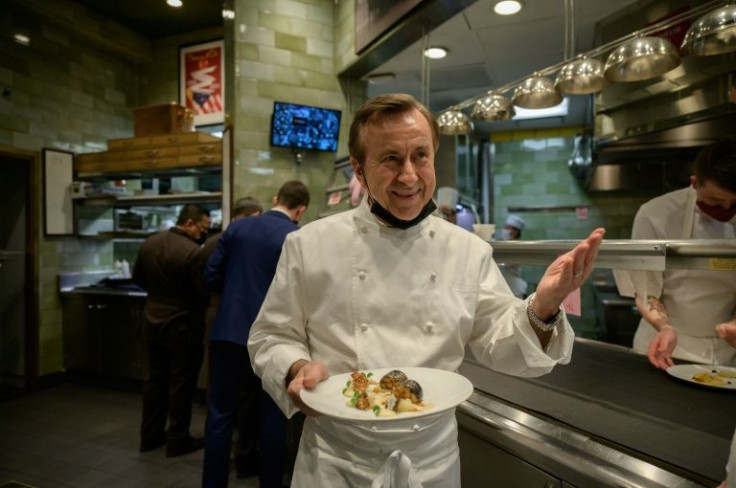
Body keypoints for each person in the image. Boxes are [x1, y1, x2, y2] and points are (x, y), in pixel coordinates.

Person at [247, 93, 605, 487]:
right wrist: (297, 368)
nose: (409, 176)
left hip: (431, 464)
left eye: (420, 156)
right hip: (337, 462)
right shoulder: (308, 244)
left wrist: (544, 305)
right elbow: (271, 336)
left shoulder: (467, 250)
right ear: (359, 170)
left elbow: (501, 345)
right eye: (390, 159)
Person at [202, 182, 310, 488]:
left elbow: (211, 275)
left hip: (228, 333)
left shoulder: (238, 228)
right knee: (271, 419)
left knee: (221, 415)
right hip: (272, 341)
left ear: (276, 199)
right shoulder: (296, 236)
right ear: (300, 209)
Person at [630, 140, 736, 370]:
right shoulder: (655, 215)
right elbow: (645, 290)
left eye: (734, 203)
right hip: (666, 343)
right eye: (716, 201)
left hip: (728, 350)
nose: (726, 209)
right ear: (695, 183)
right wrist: (665, 328)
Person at [133, 204, 210, 457]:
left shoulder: (149, 243)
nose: (201, 235)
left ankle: (150, 437)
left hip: (151, 321)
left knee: (154, 382)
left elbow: (138, 278)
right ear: (189, 224)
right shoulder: (192, 252)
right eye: (201, 229)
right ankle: (177, 439)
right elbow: (201, 294)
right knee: (181, 384)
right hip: (182, 327)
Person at [498, 214, 528, 298]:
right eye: (505, 227)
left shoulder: (518, 246)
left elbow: (505, 263)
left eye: (507, 228)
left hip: (514, 286)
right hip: (503, 285)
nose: (504, 230)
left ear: (515, 231)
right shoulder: (503, 244)